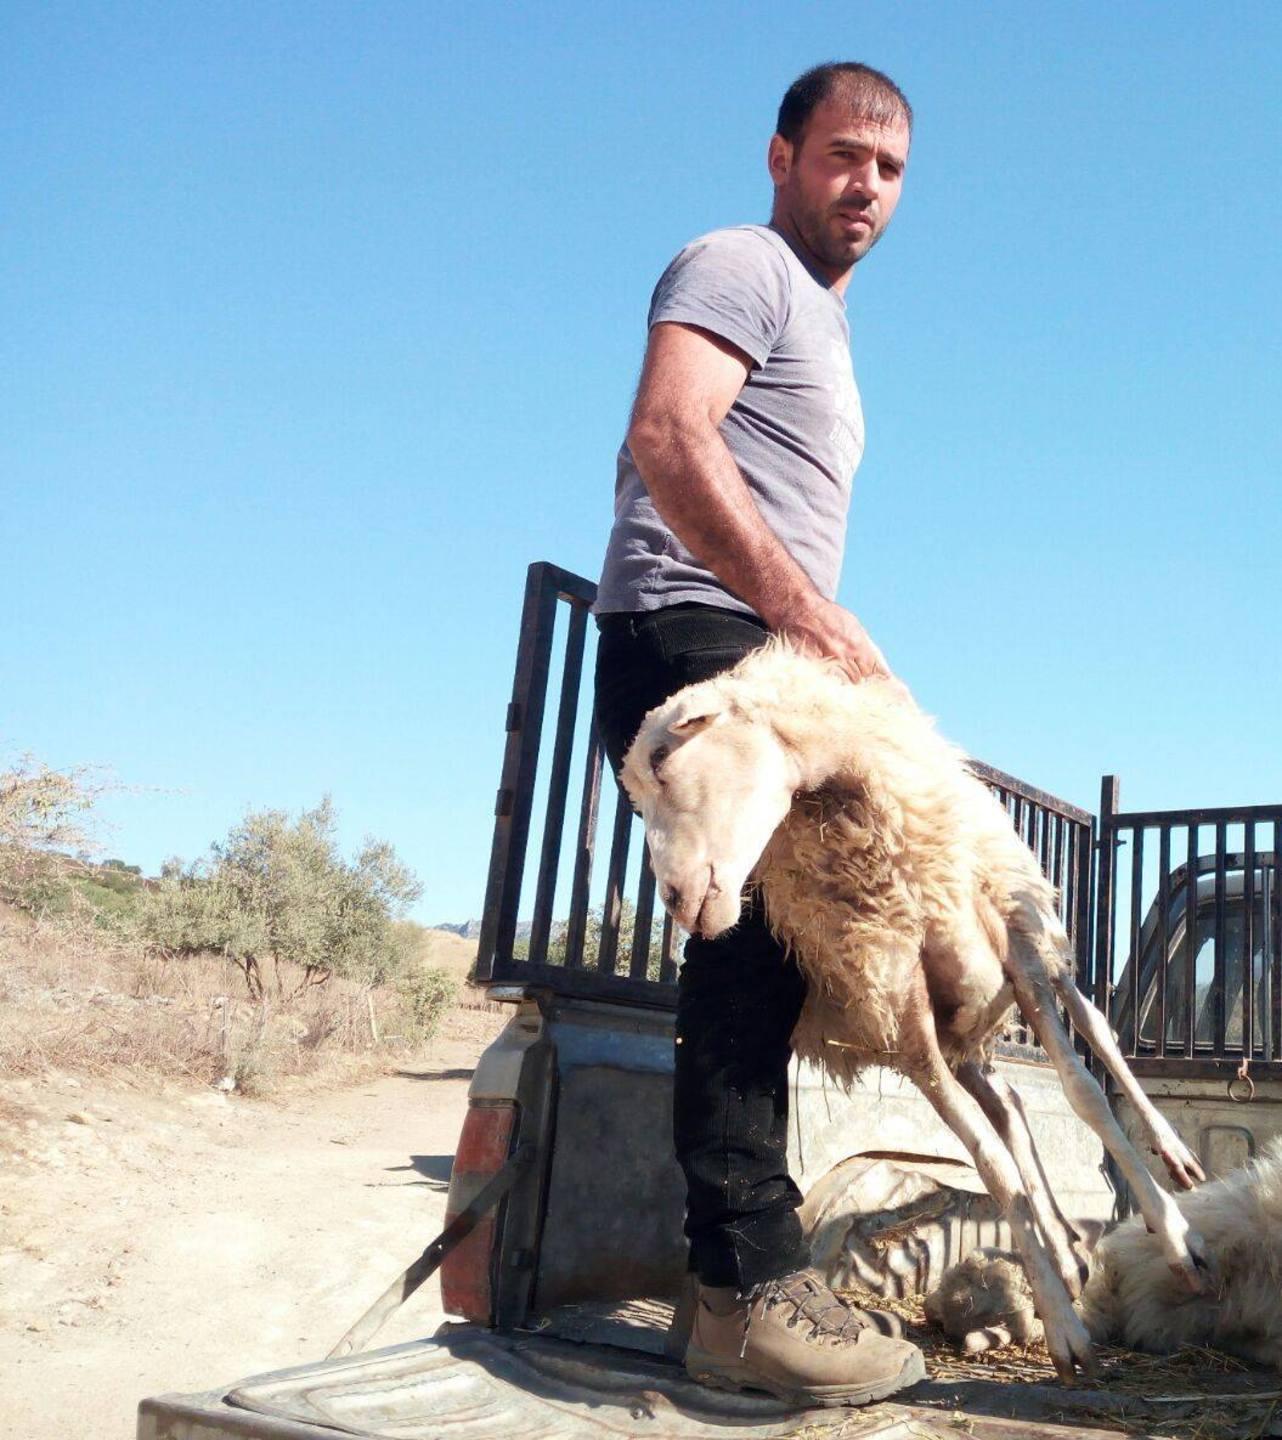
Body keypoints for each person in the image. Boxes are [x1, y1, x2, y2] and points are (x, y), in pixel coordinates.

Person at [592, 63, 925, 1407]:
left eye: (889, 170)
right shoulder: (741, 265)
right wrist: (805, 615)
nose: (866, 186)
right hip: (696, 636)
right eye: (843, 155)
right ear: (782, 156)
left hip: (758, 649)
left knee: (778, 955)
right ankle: (740, 1297)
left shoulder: (825, 323)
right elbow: (669, 437)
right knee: (750, 955)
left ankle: (748, 1278)